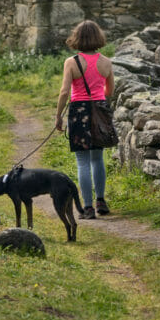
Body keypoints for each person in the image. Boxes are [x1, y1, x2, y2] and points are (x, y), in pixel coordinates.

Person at [54, 20, 114, 219]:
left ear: (77, 38)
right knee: (98, 159)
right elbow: (110, 91)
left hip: (79, 111)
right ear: (98, 37)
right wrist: (97, 95)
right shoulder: (106, 62)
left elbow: (64, 92)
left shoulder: (71, 62)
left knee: (82, 162)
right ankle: (101, 201)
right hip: (99, 110)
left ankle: (87, 208)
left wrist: (58, 116)